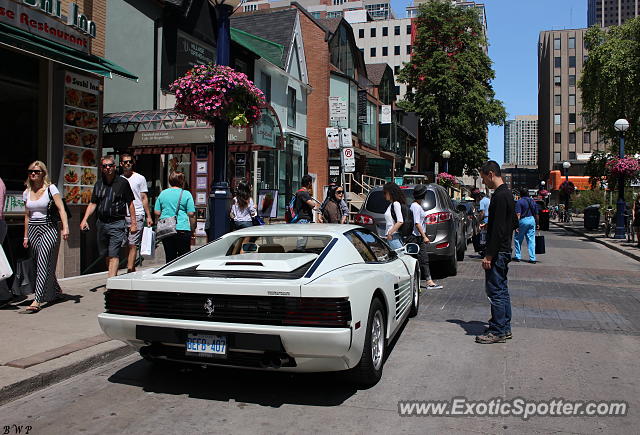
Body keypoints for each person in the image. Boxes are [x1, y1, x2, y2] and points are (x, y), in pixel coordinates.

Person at [20, 161, 69, 313]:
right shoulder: (26, 192)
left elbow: (61, 209)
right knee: (39, 262)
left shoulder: (50, 188)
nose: (33, 174)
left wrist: (65, 228)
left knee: (43, 261)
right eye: (30, 172)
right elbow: (27, 215)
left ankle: (37, 299)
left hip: (49, 228)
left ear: (43, 173)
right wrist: (26, 236)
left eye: (36, 171)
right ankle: (55, 289)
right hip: (34, 229)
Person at [476, 160, 515, 344]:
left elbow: (499, 229)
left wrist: (489, 255)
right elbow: (511, 224)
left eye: (484, 178)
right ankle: (504, 327)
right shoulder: (508, 194)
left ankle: (498, 330)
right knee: (502, 290)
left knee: (495, 292)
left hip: (498, 252)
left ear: (491, 174)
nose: (484, 182)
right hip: (505, 249)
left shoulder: (499, 196)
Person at [80, 155, 136, 278]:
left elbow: (130, 203)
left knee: (114, 253)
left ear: (114, 167)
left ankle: (111, 283)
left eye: (110, 165)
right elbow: (93, 203)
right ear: (101, 168)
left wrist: (133, 223)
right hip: (101, 223)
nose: (108, 168)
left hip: (117, 223)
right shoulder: (98, 184)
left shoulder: (122, 183)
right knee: (106, 254)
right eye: (105, 166)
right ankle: (113, 277)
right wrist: (84, 219)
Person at [120, 154, 153, 273]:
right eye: (125, 162)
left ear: (132, 163)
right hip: (122, 216)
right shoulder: (119, 179)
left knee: (133, 244)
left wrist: (148, 216)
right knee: (125, 244)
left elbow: (144, 197)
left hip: (138, 214)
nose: (128, 164)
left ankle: (129, 271)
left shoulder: (140, 178)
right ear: (121, 164)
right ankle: (131, 268)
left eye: (130, 162)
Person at [154, 171, 196, 262]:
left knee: (170, 257)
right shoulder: (186, 194)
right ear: (182, 181)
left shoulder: (163, 193)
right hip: (182, 229)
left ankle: (169, 275)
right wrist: (192, 229)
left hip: (167, 230)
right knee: (184, 258)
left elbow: (157, 212)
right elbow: (191, 214)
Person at [406, 184, 442, 289]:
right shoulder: (416, 207)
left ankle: (421, 281)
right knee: (423, 259)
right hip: (415, 237)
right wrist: (424, 236)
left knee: (418, 259)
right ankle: (428, 281)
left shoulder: (415, 205)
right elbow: (417, 223)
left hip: (417, 236)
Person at [513, 188, 539, 264]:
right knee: (531, 239)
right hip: (531, 220)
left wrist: (516, 225)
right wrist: (537, 223)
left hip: (523, 220)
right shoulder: (533, 201)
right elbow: (536, 214)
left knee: (518, 238)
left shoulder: (519, 202)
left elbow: (518, 214)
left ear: (520, 194)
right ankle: (532, 258)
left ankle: (518, 256)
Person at [382, 182, 405, 250]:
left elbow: (400, 221)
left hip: (394, 236)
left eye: (385, 193)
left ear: (391, 193)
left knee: (400, 256)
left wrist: (390, 232)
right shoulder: (391, 205)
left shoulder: (396, 204)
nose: (384, 195)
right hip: (392, 237)